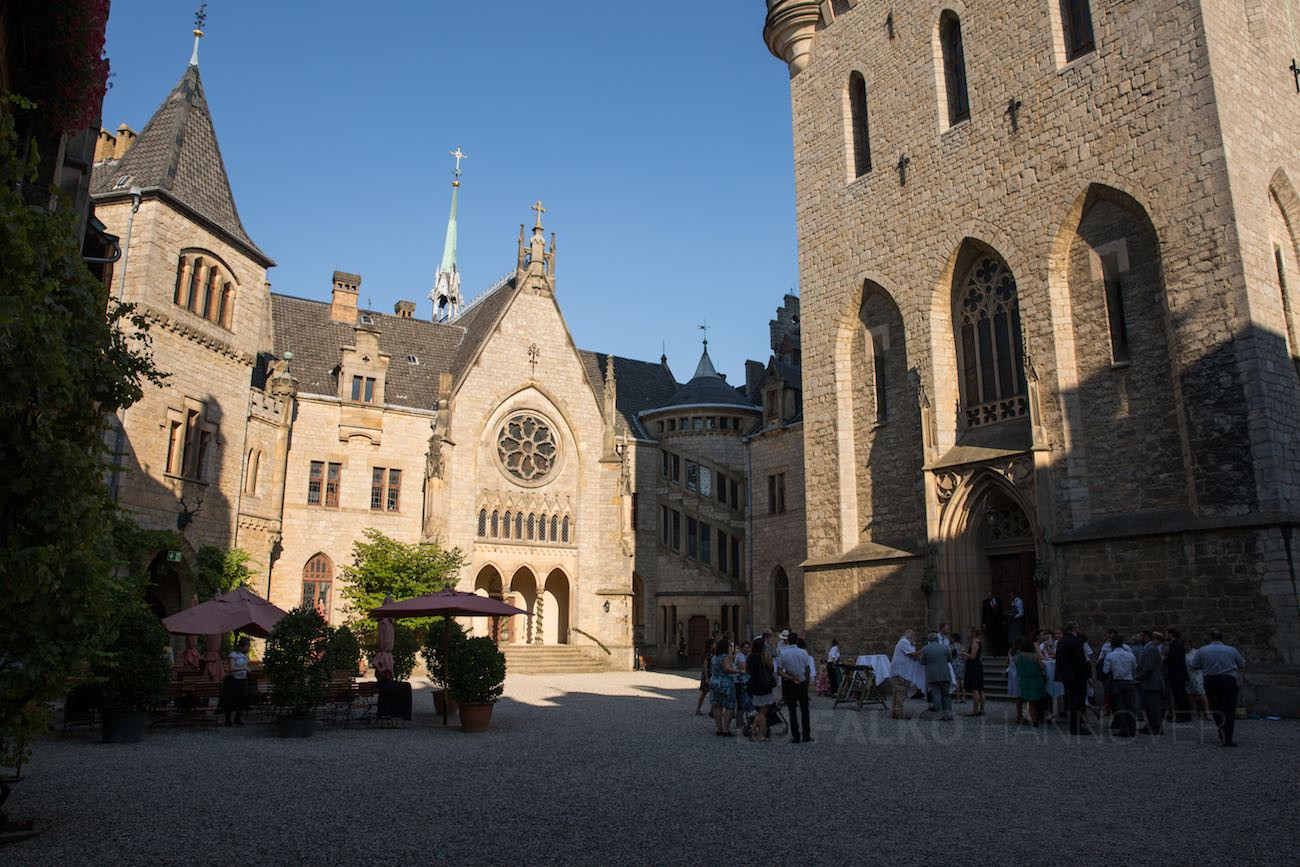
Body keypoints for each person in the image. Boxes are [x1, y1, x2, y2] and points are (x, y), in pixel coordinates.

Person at [1191, 630, 1246, 747]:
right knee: (1229, 708)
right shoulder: (1231, 650)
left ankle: (1221, 733)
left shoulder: (1203, 650)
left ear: (1211, 638)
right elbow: (1241, 664)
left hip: (1211, 681)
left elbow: (1195, 665)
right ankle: (1228, 737)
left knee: (1216, 707)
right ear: (1222, 638)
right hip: (1228, 680)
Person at [1055, 621, 1092, 736]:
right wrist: (1088, 674)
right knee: (1078, 702)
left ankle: (1073, 726)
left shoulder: (1061, 641)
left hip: (1066, 676)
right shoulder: (1076, 641)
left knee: (1071, 702)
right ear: (1075, 629)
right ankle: (1077, 726)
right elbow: (1081, 660)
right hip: (1077, 676)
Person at [778, 632, 813, 742]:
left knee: (792, 710)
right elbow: (807, 669)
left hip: (790, 682)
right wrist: (805, 682)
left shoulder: (784, 653)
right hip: (802, 682)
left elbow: (779, 671)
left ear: (788, 640)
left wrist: (791, 677)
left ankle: (796, 736)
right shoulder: (803, 652)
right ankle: (806, 735)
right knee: (805, 710)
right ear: (797, 640)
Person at [1102, 637, 1138, 737]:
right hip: (1129, 682)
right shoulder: (1130, 655)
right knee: (1130, 705)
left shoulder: (1110, 656)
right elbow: (1135, 668)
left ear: (1112, 645)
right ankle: (1132, 728)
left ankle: (1124, 729)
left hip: (1117, 682)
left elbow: (1105, 671)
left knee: (1120, 706)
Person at [1135, 629, 1165, 735]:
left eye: (1139, 635)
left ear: (1145, 637)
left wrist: (1138, 677)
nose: (1137, 637)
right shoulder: (1147, 648)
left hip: (1153, 683)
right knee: (1149, 707)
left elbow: (1149, 667)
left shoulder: (1151, 648)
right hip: (1148, 683)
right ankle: (1150, 725)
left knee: (1154, 707)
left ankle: (1156, 727)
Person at [746, 638, 776, 741]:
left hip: (754, 684)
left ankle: (753, 728)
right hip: (764, 685)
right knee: (763, 711)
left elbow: (747, 670)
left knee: (760, 709)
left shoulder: (750, 656)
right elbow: (771, 667)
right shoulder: (765, 655)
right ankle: (760, 735)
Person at [920, 632, 954, 721]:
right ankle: (949, 713)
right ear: (937, 639)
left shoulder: (925, 649)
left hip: (932, 675)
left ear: (929, 640)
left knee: (936, 694)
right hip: (945, 674)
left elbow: (922, 662)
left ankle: (940, 714)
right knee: (946, 694)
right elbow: (950, 659)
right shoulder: (945, 648)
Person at [1014, 637, 1047, 726]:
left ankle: (1025, 717)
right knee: (1034, 701)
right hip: (1035, 681)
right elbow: (1042, 667)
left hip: (1025, 681)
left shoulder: (1018, 657)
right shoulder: (1035, 656)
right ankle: (1035, 719)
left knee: (1028, 700)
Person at [890, 629, 921, 719]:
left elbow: (913, 656)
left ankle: (895, 710)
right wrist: (924, 650)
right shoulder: (904, 642)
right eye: (913, 636)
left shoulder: (908, 643)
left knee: (897, 692)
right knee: (900, 691)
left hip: (900, 671)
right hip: (899, 671)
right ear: (909, 636)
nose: (915, 638)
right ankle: (899, 711)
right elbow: (912, 654)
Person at [220, 636, 251, 727]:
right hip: (233, 680)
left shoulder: (244, 655)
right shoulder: (233, 655)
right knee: (230, 699)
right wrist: (244, 668)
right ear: (242, 646)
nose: (248, 648)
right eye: (247, 646)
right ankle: (228, 720)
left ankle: (237, 718)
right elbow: (231, 668)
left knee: (241, 699)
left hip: (242, 680)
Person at [709, 638, 737, 736]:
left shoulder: (714, 657)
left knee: (717, 705)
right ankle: (726, 729)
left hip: (714, 682)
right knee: (729, 706)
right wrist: (737, 671)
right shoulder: (725, 656)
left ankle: (719, 729)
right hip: (725, 683)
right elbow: (726, 669)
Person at [1165, 629, 1189, 723]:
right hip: (1180, 674)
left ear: (1171, 634)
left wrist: (1164, 659)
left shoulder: (1174, 645)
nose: (1166, 636)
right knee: (1182, 695)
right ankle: (1185, 715)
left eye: (1166, 634)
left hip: (1176, 674)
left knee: (1179, 696)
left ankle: (1182, 716)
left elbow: (1172, 660)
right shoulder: (1178, 644)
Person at [962, 628, 985, 716]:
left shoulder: (975, 643)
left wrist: (964, 652)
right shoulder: (976, 642)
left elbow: (972, 657)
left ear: (973, 633)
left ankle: (975, 710)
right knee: (980, 689)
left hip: (974, 666)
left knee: (975, 688)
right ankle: (982, 710)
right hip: (976, 666)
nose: (968, 634)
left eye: (969, 632)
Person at [1185, 644, 1211, 722]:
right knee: (1190, 693)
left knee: (1201, 693)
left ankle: (1207, 712)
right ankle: (1194, 712)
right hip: (1188, 675)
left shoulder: (1197, 652)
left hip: (1197, 675)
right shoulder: (1183, 654)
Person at [981, 591, 1003, 656]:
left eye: (990, 595)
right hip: (989, 624)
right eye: (988, 595)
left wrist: (1002, 621)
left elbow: (1000, 611)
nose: (989, 597)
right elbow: (984, 613)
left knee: (998, 637)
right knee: (991, 638)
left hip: (998, 623)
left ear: (992, 595)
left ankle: (999, 651)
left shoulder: (998, 601)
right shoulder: (985, 602)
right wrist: (983, 623)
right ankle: (994, 652)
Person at [951, 632, 966, 704]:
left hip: (955, 663)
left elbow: (950, 656)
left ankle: (958, 698)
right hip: (962, 663)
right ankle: (963, 698)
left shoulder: (951, 646)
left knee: (957, 681)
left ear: (954, 639)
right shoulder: (962, 646)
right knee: (962, 680)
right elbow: (964, 657)